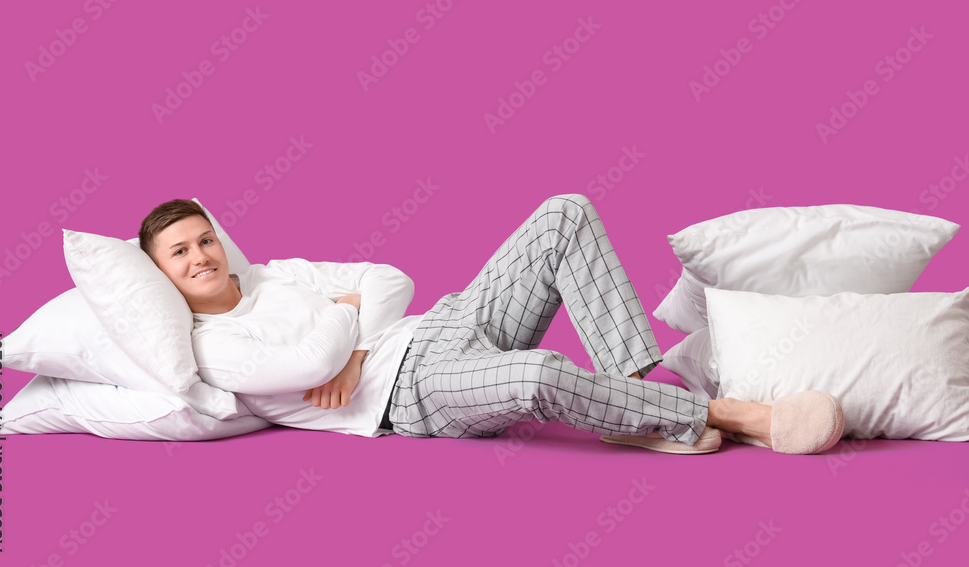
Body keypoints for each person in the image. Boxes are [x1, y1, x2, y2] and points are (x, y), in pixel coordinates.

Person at [138, 194, 844, 455]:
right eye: (182, 251)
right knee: (538, 373)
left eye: (205, 239)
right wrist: (347, 331)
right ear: (161, 274)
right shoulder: (211, 345)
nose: (201, 255)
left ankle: (637, 399)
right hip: (413, 394)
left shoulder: (274, 275)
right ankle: (732, 415)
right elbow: (302, 367)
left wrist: (347, 335)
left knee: (564, 213)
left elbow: (389, 280)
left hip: (442, 321)